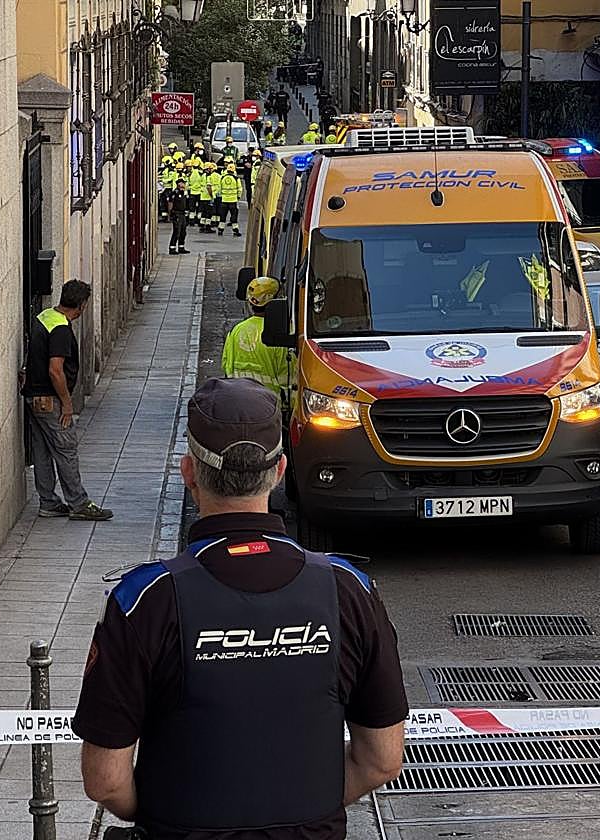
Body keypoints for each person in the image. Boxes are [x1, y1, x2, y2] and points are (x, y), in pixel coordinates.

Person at [74, 377, 408, 840]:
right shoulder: (348, 590)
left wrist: (164, 812)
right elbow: (382, 760)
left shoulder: (145, 600)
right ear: (280, 470)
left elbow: (105, 780)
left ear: (189, 472)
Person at [22, 280, 114, 521]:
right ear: (81, 305)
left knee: (42, 451)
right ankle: (79, 503)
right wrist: (66, 402)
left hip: (34, 397)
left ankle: (49, 502)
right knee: (66, 449)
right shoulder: (61, 329)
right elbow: (56, 370)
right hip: (50, 400)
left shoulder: (45, 316)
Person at [222, 277, 292, 396]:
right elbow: (286, 376)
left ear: (251, 302)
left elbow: (226, 365)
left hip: (239, 397)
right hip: (269, 401)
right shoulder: (279, 333)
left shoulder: (236, 330)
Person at [217, 162, 244, 237]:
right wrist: (238, 197)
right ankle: (235, 231)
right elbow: (240, 189)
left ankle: (220, 230)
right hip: (233, 201)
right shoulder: (236, 179)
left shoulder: (222, 178)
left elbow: (219, 189)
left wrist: (221, 196)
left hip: (224, 200)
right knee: (234, 217)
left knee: (223, 217)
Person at [168, 178, 191, 255]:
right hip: (176, 214)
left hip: (183, 214)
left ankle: (181, 247)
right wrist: (170, 214)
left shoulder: (184, 193)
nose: (184, 185)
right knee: (176, 231)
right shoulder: (175, 193)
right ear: (179, 184)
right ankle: (172, 248)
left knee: (183, 232)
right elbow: (170, 203)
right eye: (183, 183)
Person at [186, 160, 205, 228]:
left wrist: (188, 190)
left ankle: (191, 221)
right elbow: (203, 182)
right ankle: (199, 220)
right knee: (200, 208)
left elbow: (187, 183)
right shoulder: (201, 173)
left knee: (192, 208)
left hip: (192, 192)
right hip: (200, 192)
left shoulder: (190, 173)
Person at [206, 161, 223, 234]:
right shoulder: (219, 176)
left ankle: (209, 224)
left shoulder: (209, 177)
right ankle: (217, 222)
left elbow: (209, 187)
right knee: (218, 210)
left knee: (211, 211)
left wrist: (211, 195)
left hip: (212, 195)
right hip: (218, 195)